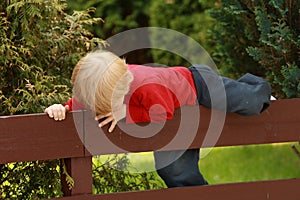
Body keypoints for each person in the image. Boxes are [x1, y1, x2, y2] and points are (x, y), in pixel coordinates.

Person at [45, 50, 272, 187]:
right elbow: (79, 103)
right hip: (180, 116)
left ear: (124, 89)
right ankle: (199, 192)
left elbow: (163, 114)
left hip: (198, 85)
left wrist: (126, 113)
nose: (98, 110)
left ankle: (260, 89)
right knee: (172, 169)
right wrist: (62, 108)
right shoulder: (97, 90)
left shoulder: (148, 85)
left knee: (247, 102)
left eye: (106, 107)